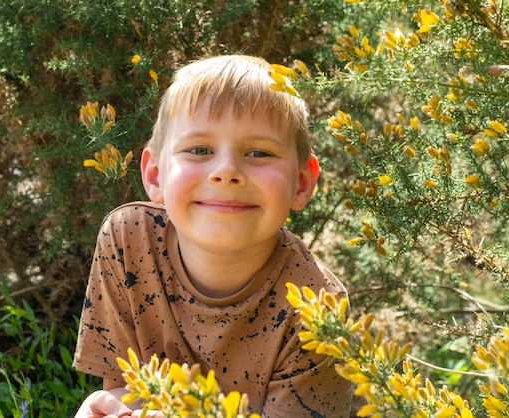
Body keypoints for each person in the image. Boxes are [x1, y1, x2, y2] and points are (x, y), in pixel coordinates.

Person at [73, 54, 352, 418]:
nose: (226, 171)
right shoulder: (129, 240)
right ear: (156, 175)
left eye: (259, 152)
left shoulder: (317, 310)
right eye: (200, 150)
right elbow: (125, 390)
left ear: (301, 183)